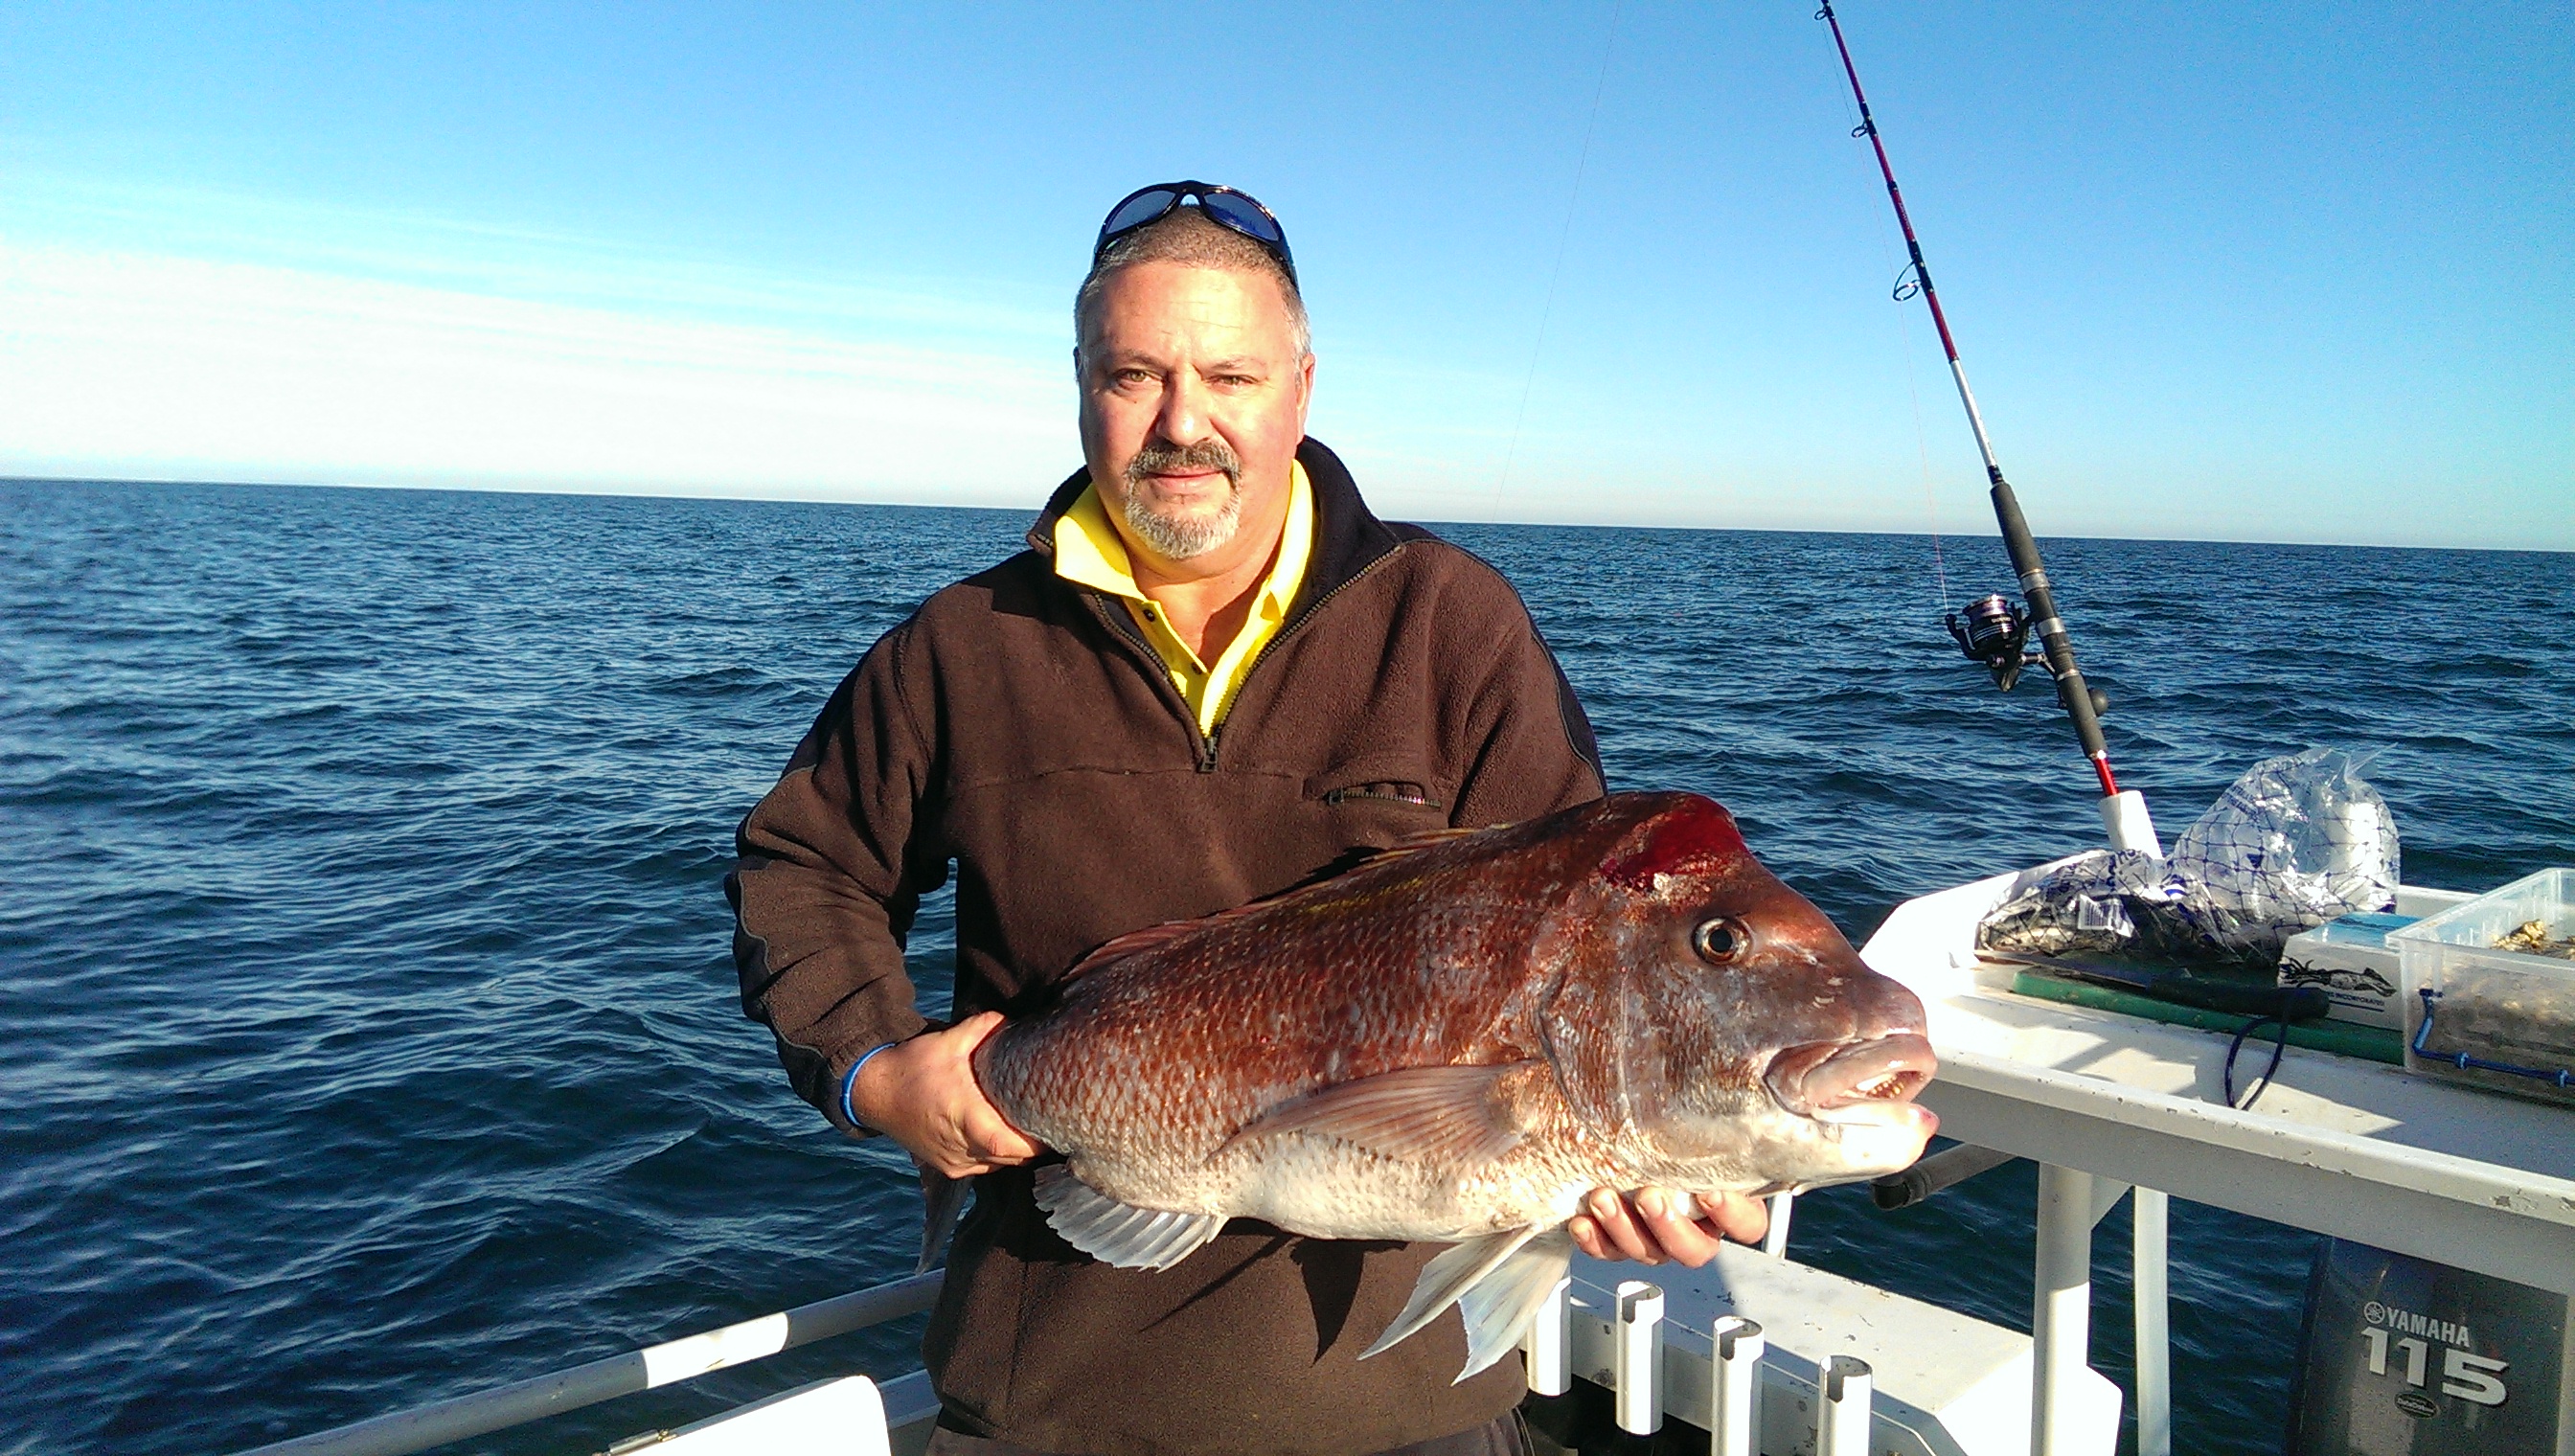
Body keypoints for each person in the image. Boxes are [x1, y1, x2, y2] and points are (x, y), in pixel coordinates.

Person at [729, 180, 1766, 1456]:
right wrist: (876, 1073)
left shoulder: (1453, 629)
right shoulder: (963, 646)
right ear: (1079, 386)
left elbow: (1601, 948)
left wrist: (1634, 1154)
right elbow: (803, 863)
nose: (1184, 424)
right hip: (1048, 1395)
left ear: (1303, 388)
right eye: (1133, 377)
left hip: (1405, 1409)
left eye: (1230, 375)